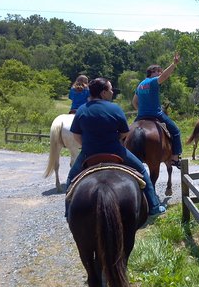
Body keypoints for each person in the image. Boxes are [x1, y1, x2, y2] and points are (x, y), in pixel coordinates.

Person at [65, 78, 166, 215]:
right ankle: (154, 207)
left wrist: (89, 145)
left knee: (71, 178)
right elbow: (125, 132)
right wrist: (113, 140)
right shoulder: (115, 108)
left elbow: (76, 135)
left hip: (89, 153)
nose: (112, 92)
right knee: (142, 172)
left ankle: (68, 212)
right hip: (115, 151)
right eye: (110, 89)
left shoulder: (82, 110)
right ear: (103, 92)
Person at [132, 52, 182, 169]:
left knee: (127, 134)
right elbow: (164, 76)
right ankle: (175, 157)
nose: (160, 73)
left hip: (141, 116)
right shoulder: (152, 82)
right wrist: (173, 64)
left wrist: (141, 110)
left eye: (160, 71)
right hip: (156, 114)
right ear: (152, 72)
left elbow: (134, 102)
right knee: (176, 131)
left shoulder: (140, 85)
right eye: (158, 71)